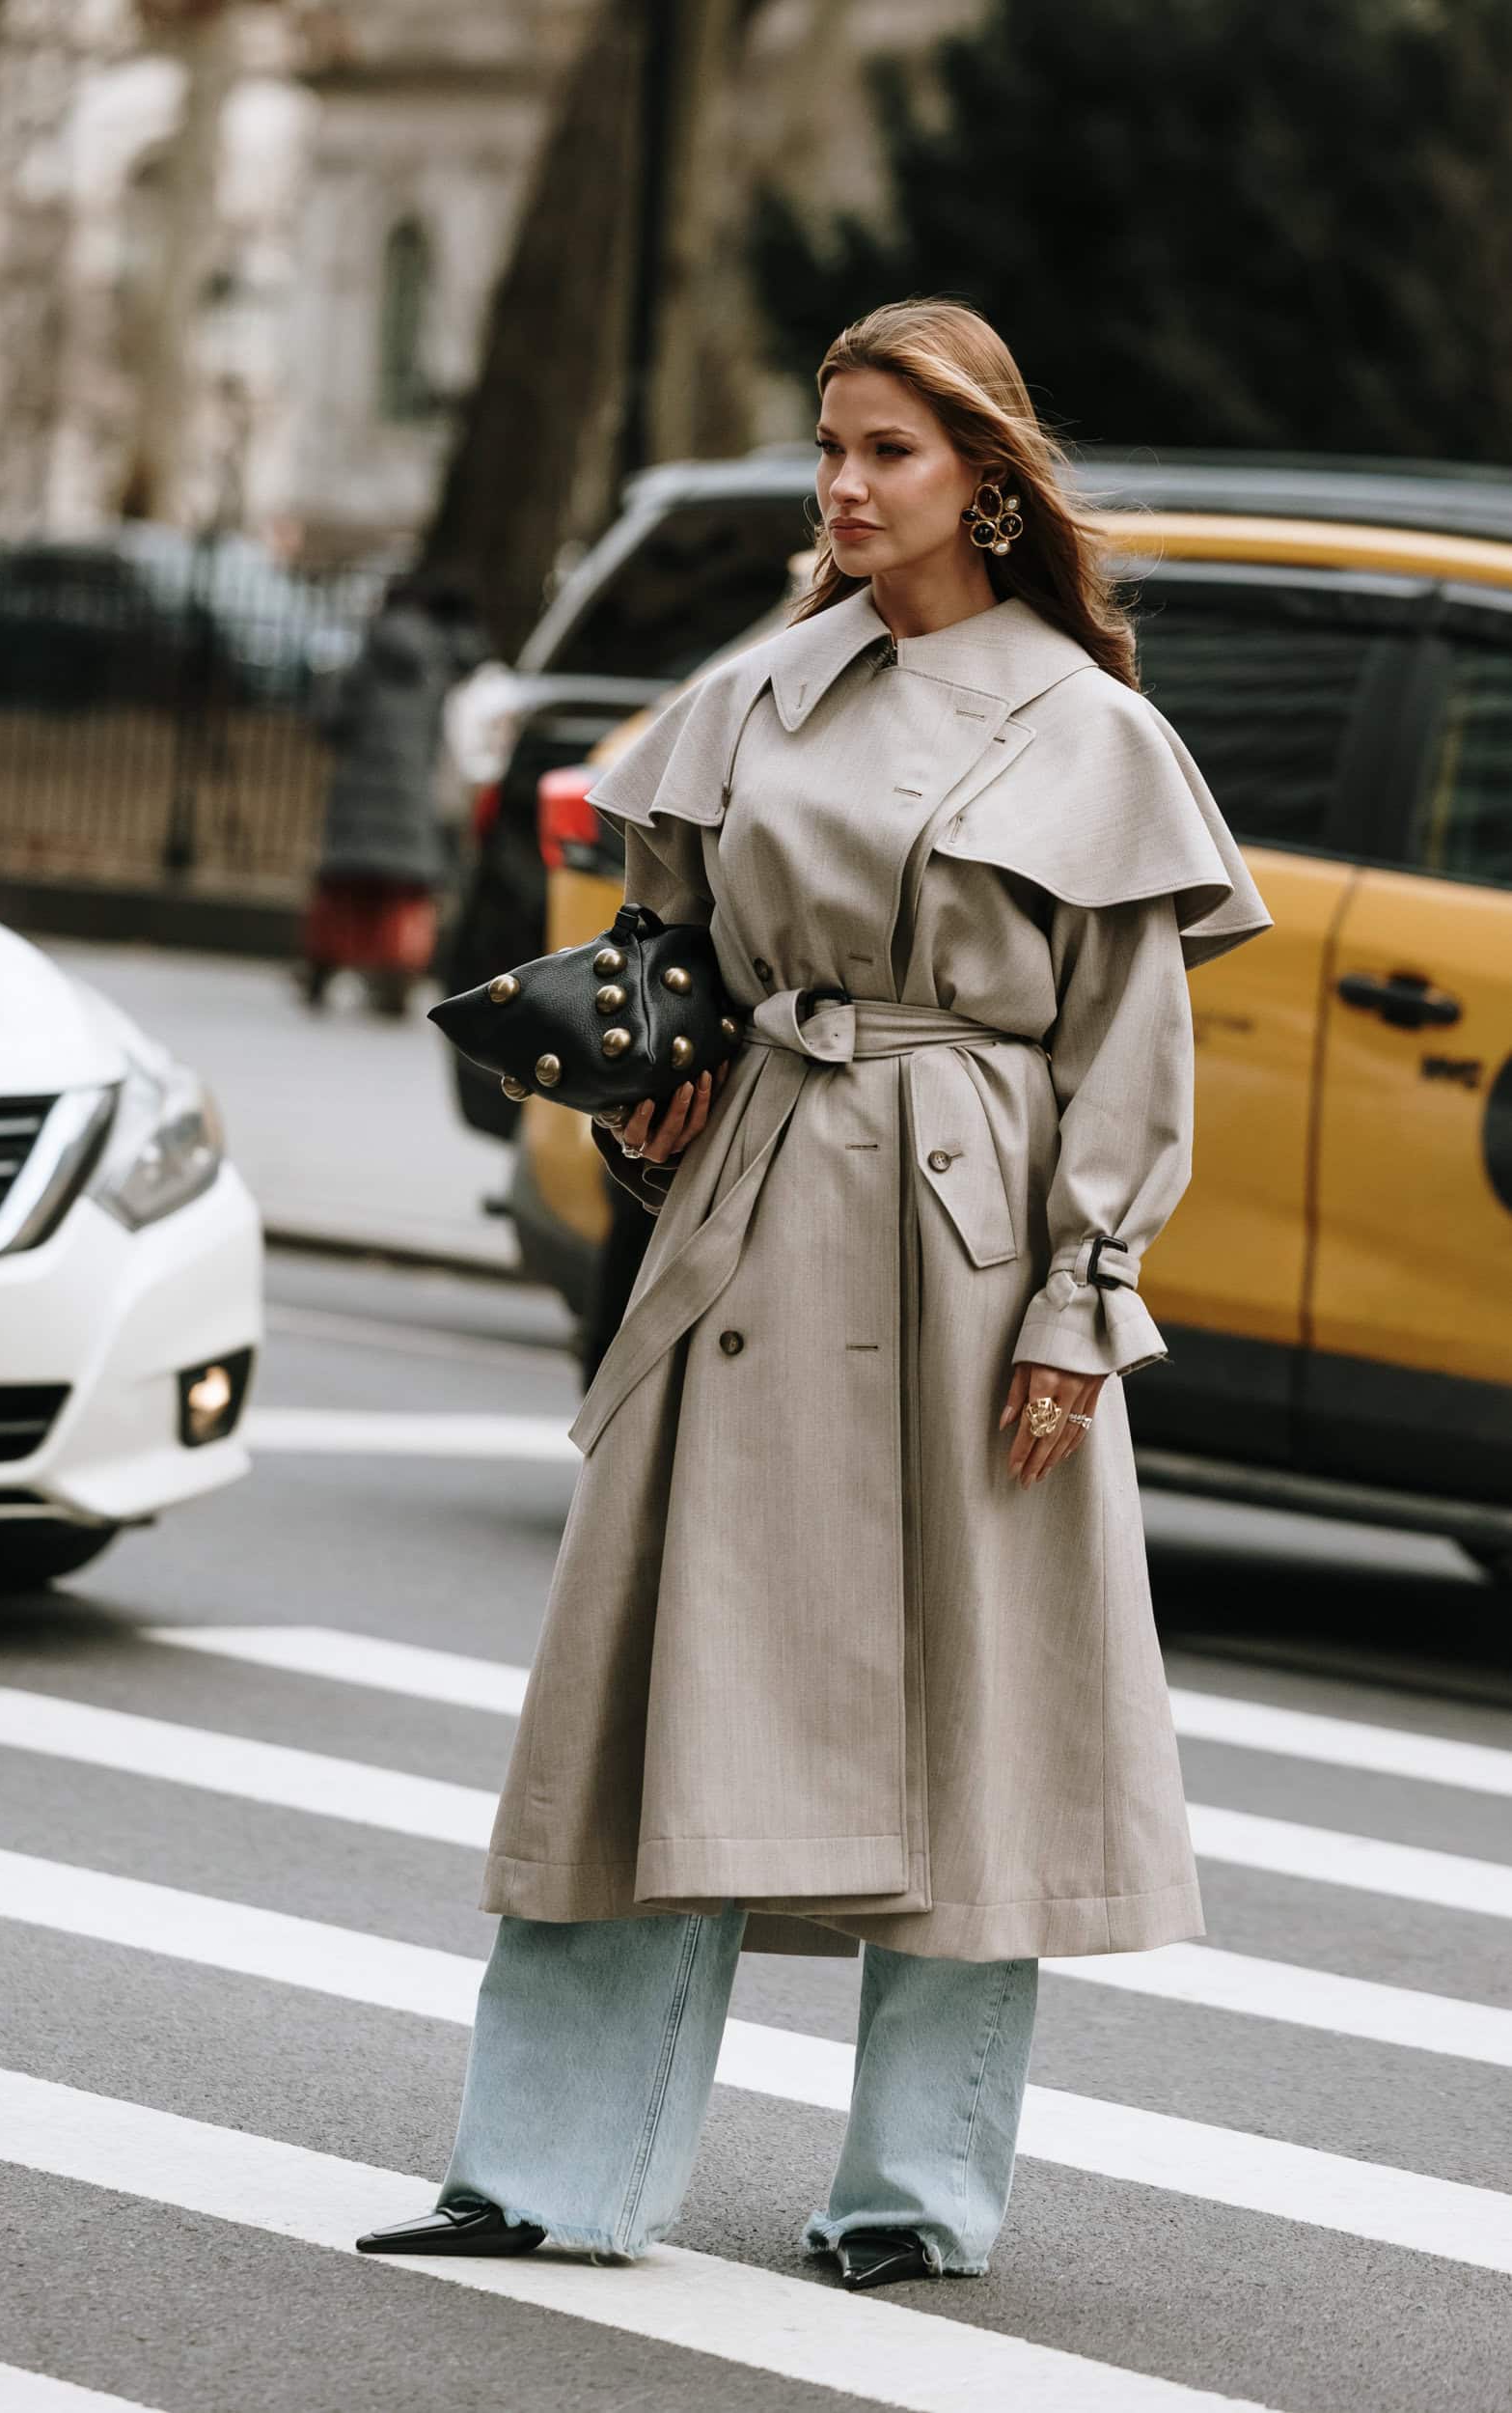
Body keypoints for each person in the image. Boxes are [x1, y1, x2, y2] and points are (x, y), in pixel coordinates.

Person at [355, 300, 1273, 2290]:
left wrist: (1073, 1303)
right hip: (756, 1205)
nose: (845, 488)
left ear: (989, 486)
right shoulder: (758, 692)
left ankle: (911, 2197)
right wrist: (643, 1107)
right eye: (828, 449)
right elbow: (662, 950)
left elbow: (1125, 1054)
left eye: (890, 455)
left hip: (960, 1248)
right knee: (641, 1683)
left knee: (977, 1715)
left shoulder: (1087, 729)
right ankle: (544, 2166)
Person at [300, 574, 484, 1016]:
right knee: (404, 894)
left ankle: (321, 971)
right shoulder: (445, 659)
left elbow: (330, 720)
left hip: (359, 795)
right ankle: (396, 983)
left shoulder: (367, 655)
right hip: (414, 793)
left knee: (344, 888)